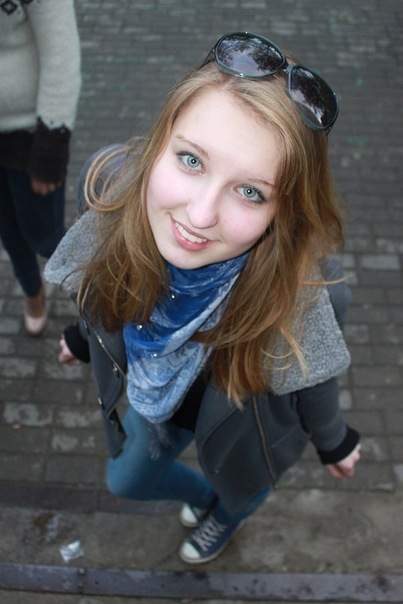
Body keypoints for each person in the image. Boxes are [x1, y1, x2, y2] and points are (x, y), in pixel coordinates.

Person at [45, 32, 361, 565]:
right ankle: (207, 499)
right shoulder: (111, 199)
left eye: (251, 192)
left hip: (242, 428)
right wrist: (83, 336)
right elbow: (103, 279)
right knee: (126, 480)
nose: (199, 215)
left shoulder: (307, 293)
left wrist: (334, 440)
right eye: (191, 160)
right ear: (159, 142)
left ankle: (228, 513)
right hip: (157, 402)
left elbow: (314, 381)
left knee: (241, 486)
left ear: (283, 211)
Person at [0, 0, 81, 335]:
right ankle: (33, 293)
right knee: (9, 232)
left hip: (29, 134)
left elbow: (61, 55)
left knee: (45, 235)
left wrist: (49, 150)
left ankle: (93, 288)